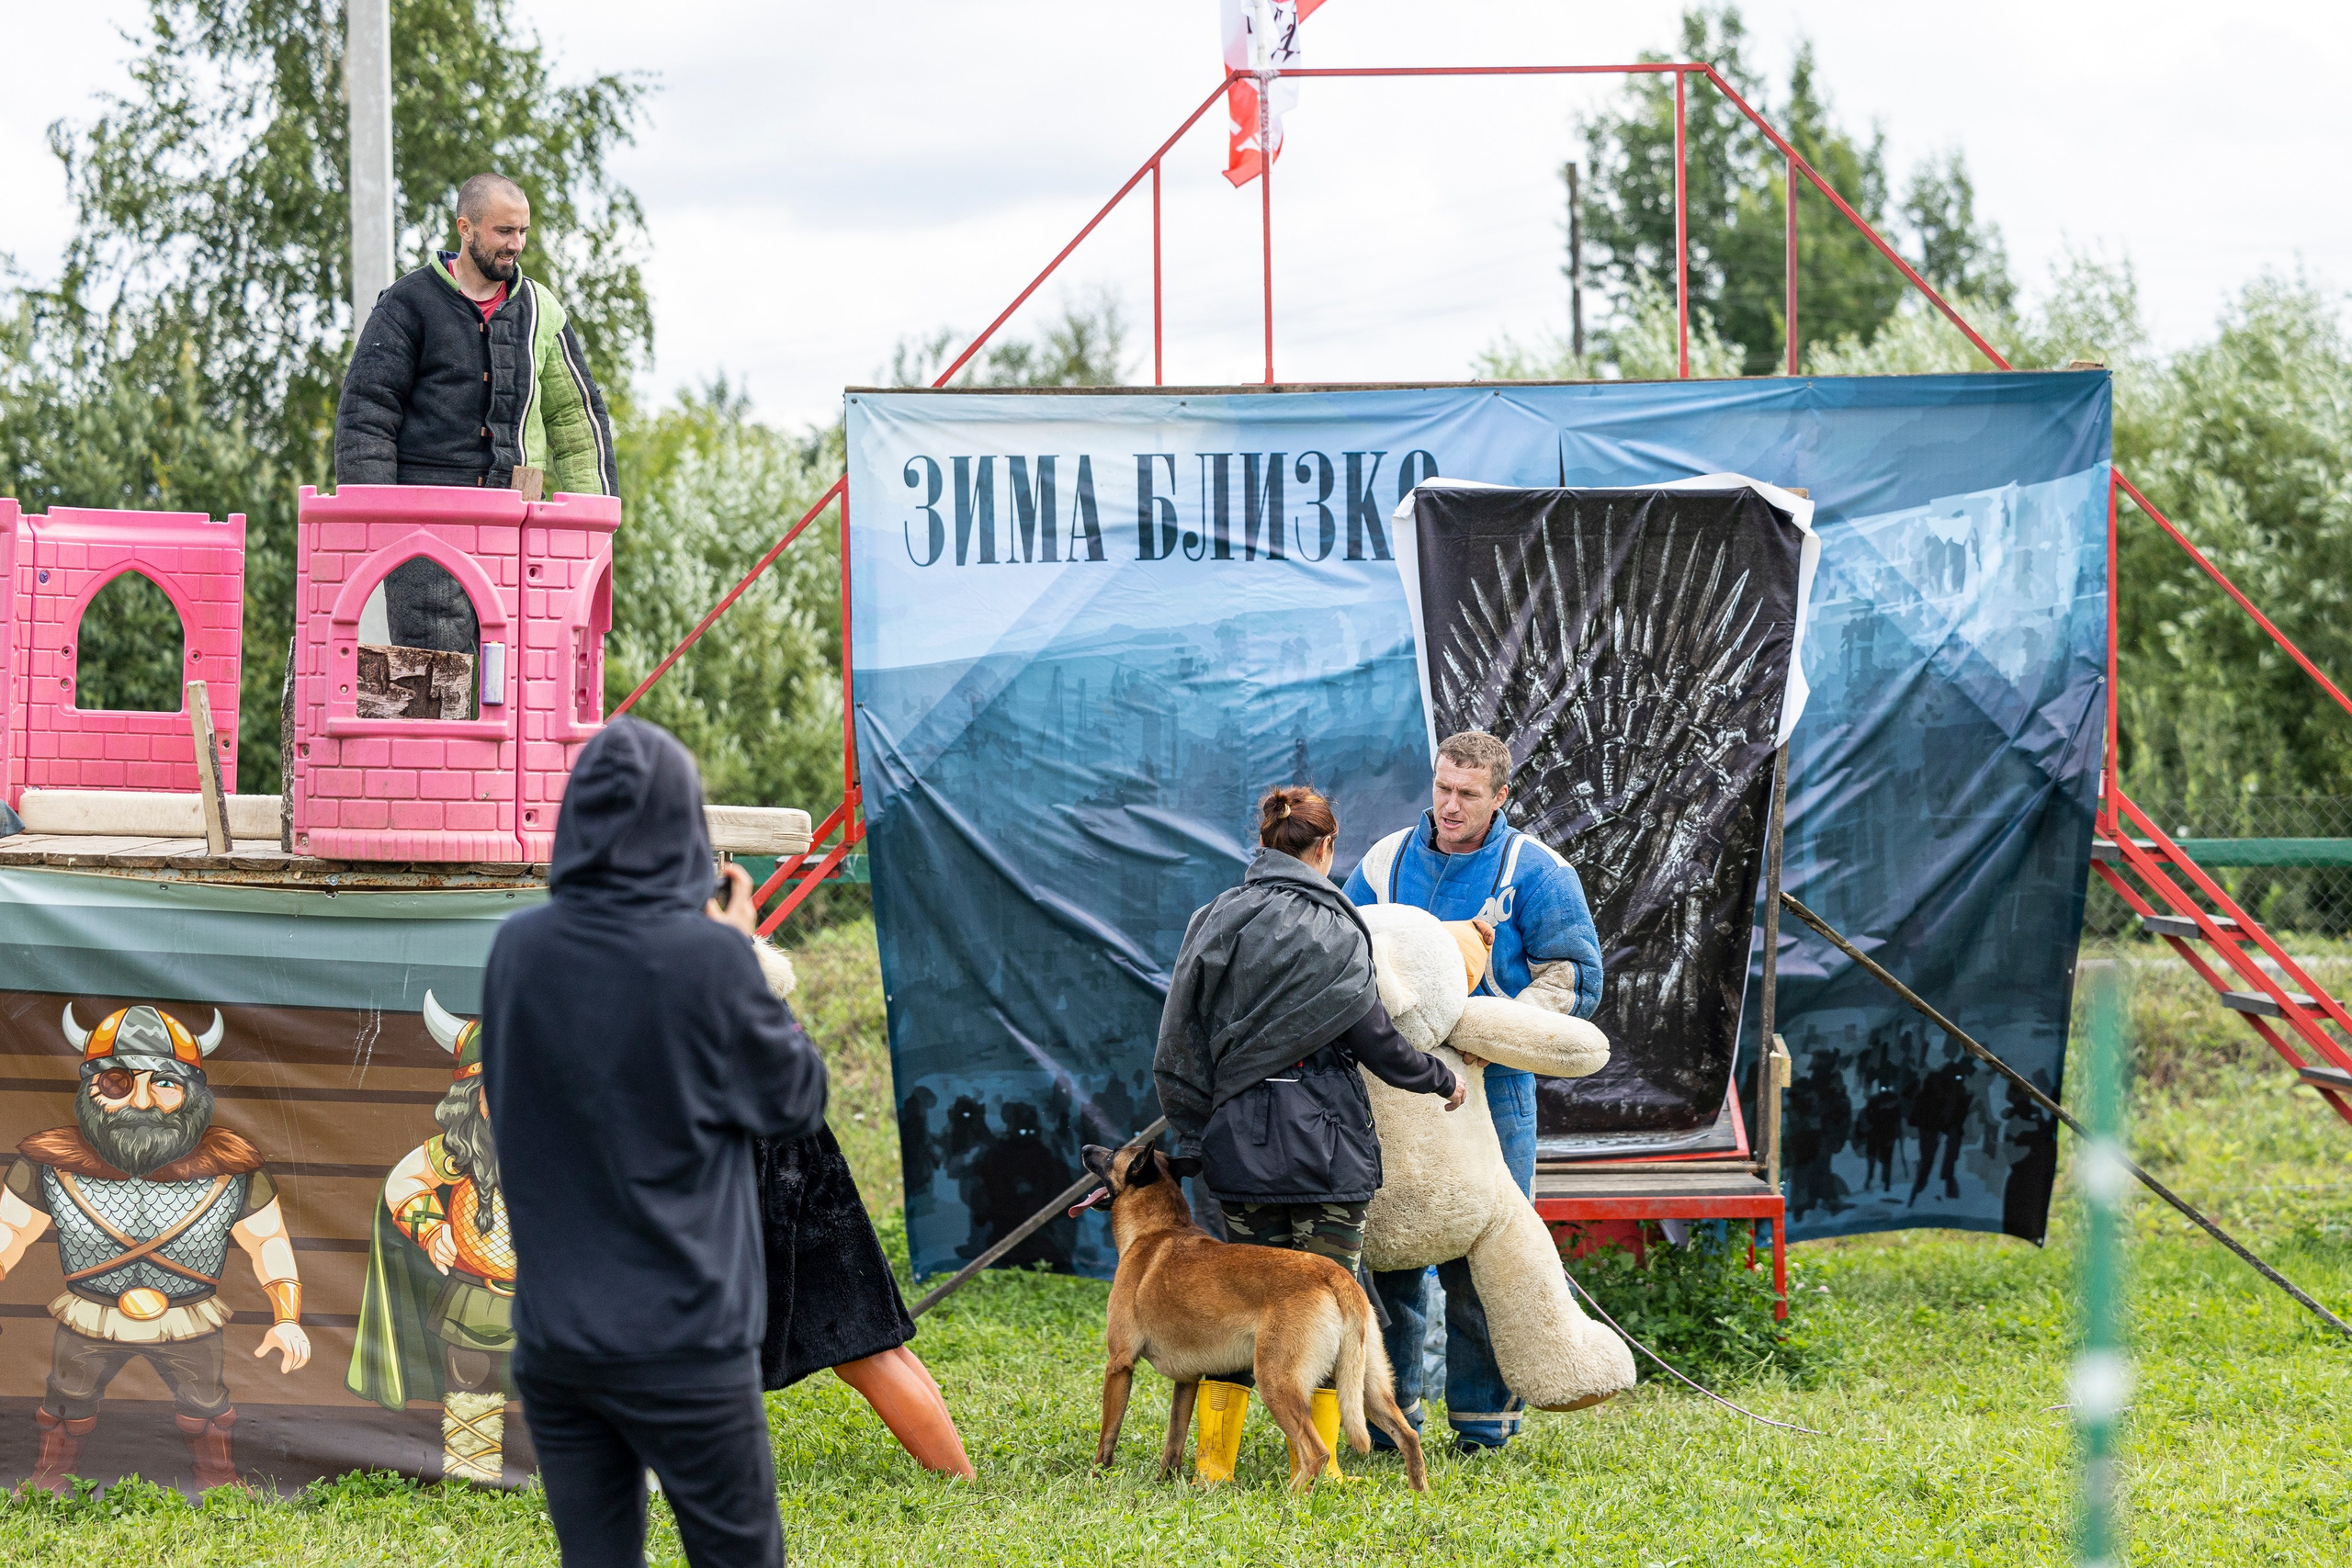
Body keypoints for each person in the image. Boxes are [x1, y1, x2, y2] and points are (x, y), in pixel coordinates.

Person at [483, 717, 825, 1568]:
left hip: (558, 1339)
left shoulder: (518, 949)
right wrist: (741, 954)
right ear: (682, 828)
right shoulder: (709, 961)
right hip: (687, 1339)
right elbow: (796, 1100)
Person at [1155, 784, 1466, 1483]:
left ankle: (1214, 1465)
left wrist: (1197, 1134)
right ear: (1326, 846)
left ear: (1264, 841)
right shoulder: (1338, 926)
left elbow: (1178, 1042)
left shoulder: (1214, 918)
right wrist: (1440, 1078)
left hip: (1240, 1148)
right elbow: (1379, 1043)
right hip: (1330, 1152)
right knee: (1327, 1305)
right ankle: (1322, 1470)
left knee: (1235, 1309)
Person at [1341, 729, 1602, 1455]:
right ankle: (1393, 1419)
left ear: (1501, 795)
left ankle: (1485, 1426)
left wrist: (1492, 1030)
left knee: (1482, 1257)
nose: (1450, 805)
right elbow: (1342, 952)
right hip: (1390, 1093)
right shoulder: (1384, 860)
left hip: (1493, 1094)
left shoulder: (1539, 871)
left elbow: (1574, 977)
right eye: (1442, 788)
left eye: (1468, 793)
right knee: (1389, 1257)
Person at [334, 171, 618, 652]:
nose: (516, 245)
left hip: (518, 521)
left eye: (523, 231)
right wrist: (376, 528)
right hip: (424, 524)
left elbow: (576, 419)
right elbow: (367, 415)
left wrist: (594, 526)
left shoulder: (540, 309)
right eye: (504, 231)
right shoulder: (407, 303)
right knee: (435, 670)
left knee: (521, 674)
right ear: (465, 229)